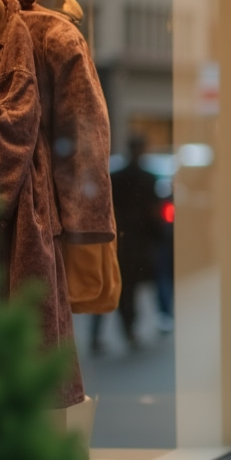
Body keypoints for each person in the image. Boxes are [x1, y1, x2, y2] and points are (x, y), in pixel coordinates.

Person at [91, 134, 163, 353]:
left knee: (107, 287)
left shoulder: (117, 177)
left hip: (115, 239)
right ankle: (129, 329)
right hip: (137, 241)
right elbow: (154, 213)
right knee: (128, 287)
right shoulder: (148, 178)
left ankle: (98, 335)